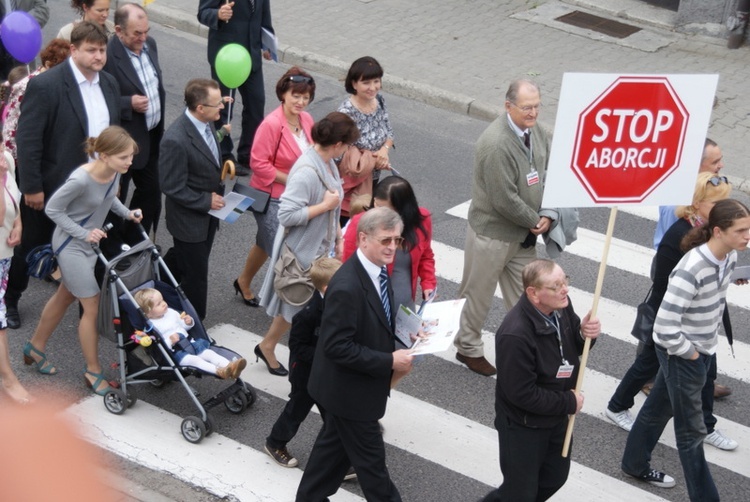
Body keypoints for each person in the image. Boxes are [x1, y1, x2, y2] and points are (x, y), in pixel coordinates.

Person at [622, 199, 750, 501]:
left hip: (701, 349)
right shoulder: (691, 267)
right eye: (742, 230)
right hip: (685, 355)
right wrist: (691, 355)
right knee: (691, 435)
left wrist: (733, 276)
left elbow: (711, 290)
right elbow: (663, 328)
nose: (748, 236)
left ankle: (634, 463)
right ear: (718, 231)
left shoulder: (728, 256)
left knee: (657, 409)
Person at [606, 173, 738, 451]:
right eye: (717, 202)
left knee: (706, 373)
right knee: (648, 365)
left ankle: (706, 425)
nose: (723, 207)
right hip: (670, 318)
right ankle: (617, 407)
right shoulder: (678, 235)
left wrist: (730, 272)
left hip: (696, 321)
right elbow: (665, 285)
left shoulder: (709, 230)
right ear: (697, 203)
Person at [8, 22, 120, 330]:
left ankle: (85, 306)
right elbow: (29, 140)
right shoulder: (47, 85)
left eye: (102, 50)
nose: (99, 56)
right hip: (53, 186)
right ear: (73, 50)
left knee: (87, 245)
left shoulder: (109, 84)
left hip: (95, 186)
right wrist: (31, 186)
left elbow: (114, 137)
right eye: (91, 50)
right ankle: (10, 300)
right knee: (29, 245)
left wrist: (113, 183)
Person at [296, 207, 414, 502]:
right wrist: (390, 361)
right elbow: (336, 346)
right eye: (385, 240)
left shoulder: (375, 272)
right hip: (351, 395)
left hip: (345, 393)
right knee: (376, 477)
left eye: (396, 240)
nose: (392, 247)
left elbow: (374, 322)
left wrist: (408, 332)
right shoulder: (348, 285)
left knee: (325, 467)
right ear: (363, 239)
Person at [24, 126, 142, 395]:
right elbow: (53, 209)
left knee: (65, 296)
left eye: (130, 157)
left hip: (89, 243)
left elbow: (109, 199)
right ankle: (93, 370)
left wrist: (128, 213)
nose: (130, 162)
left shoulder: (113, 172)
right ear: (104, 155)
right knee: (92, 305)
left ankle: (35, 347)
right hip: (71, 246)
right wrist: (84, 233)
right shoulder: (80, 179)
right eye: (124, 157)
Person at [453, 78, 552, 376]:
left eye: (536, 107)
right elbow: (503, 199)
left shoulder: (538, 133)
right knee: (477, 294)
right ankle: (467, 347)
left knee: (528, 295)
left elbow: (546, 172)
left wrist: (548, 212)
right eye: (526, 108)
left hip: (521, 235)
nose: (533, 113)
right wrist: (534, 220)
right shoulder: (495, 143)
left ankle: (528, 348)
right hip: (492, 234)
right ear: (508, 106)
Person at [481, 259, 599, 502]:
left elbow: (573, 346)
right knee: (520, 492)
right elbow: (522, 394)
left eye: (565, 280)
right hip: (524, 425)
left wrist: (584, 334)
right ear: (534, 293)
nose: (565, 289)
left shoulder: (561, 306)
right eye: (556, 286)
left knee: (555, 477)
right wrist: (568, 402)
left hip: (556, 415)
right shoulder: (515, 334)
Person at [256, 112, 357, 376]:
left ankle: (271, 345)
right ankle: (279, 350)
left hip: (320, 247)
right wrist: (324, 206)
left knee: (302, 305)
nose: (347, 150)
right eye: (346, 145)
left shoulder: (327, 163)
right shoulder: (306, 171)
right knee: (298, 304)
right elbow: (286, 215)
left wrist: (337, 235)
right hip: (303, 251)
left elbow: (333, 205)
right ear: (337, 144)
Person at [650, 138, 732, 399]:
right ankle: (648, 380)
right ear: (698, 166)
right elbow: (668, 242)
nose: (721, 165)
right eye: (715, 161)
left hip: (698, 269)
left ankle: (703, 381)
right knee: (661, 322)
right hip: (676, 266)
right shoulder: (677, 197)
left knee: (700, 322)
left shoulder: (707, 193)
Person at [233, 67, 316, 307]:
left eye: (305, 97)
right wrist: (292, 180)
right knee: (284, 253)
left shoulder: (307, 119)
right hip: (271, 197)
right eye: (296, 96)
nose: (301, 102)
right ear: (284, 94)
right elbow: (257, 163)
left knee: (264, 242)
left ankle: (243, 281)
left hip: (299, 196)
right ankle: (286, 304)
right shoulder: (271, 124)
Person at [264, 257, 341, 468]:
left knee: (334, 413)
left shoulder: (339, 300)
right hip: (306, 373)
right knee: (298, 409)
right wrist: (328, 355)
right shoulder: (308, 314)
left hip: (325, 372)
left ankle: (341, 456)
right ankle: (275, 443)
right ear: (327, 288)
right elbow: (297, 347)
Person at [159, 78, 226, 322]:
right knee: (196, 276)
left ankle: (154, 286)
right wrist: (205, 201)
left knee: (183, 260)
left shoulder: (206, 123)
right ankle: (196, 325)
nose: (222, 107)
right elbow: (170, 185)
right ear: (200, 108)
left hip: (207, 217)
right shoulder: (175, 140)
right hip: (190, 220)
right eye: (217, 104)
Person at [103, 2, 165, 242]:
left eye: (146, 31)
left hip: (149, 137)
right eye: (136, 33)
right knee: (115, 197)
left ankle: (135, 241)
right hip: (122, 141)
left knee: (150, 192)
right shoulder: (108, 56)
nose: (143, 37)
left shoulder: (150, 44)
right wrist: (128, 103)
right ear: (119, 31)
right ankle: (113, 246)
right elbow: (99, 99)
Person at [197, 0, 274, 176]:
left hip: (251, 56)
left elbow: (264, 14)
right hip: (227, 57)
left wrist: (267, 41)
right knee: (222, 107)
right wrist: (217, 14)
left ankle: (248, 154)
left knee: (256, 104)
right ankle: (224, 155)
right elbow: (203, 12)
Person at [342, 175, 435, 313]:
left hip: (405, 307)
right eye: (376, 205)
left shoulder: (421, 220)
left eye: (385, 210)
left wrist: (429, 283)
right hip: (372, 308)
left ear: (402, 210)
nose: (378, 212)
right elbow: (348, 267)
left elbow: (426, 255)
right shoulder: (360, 223)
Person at [134, 288, 246, 379]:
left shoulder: (171, 313)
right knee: (196, 361)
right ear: (147, 313)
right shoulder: (151, 327)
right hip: (178, 352)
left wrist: (188, 322)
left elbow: (183, 327)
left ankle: (230, 367)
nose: (164, 304)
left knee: (209, 353)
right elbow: (157, 346)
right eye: (158, 304)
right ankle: (218, 371)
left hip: (191, 343)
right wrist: (169, 341)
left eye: (163, 300)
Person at [338, 56, 395, 221]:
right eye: (366, 83)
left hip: (374, 177)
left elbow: (389, 132)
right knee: (350, 223)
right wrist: (373, 159)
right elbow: (339, 153)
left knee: (367, 222)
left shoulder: (379, 100)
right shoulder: (346, 113)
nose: (373, 87)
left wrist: (384, 152)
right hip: (352, 181)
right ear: (354, 84)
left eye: (376, 81)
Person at [2, 39, 70, 164]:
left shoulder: (53, 83)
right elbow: (13, 121)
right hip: (19, 153)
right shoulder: (26, 86)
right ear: (48, 64)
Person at [0, 146, 28, 404]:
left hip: (4, 253)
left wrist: (18, 225)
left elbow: (15, 200)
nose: (2, 155)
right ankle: (8, 378)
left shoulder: (6, 158)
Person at [0, 0, 50, 79]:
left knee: (25, 84)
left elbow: (42, 10)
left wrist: (23, 25)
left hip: (23, 45)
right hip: (2, 48)